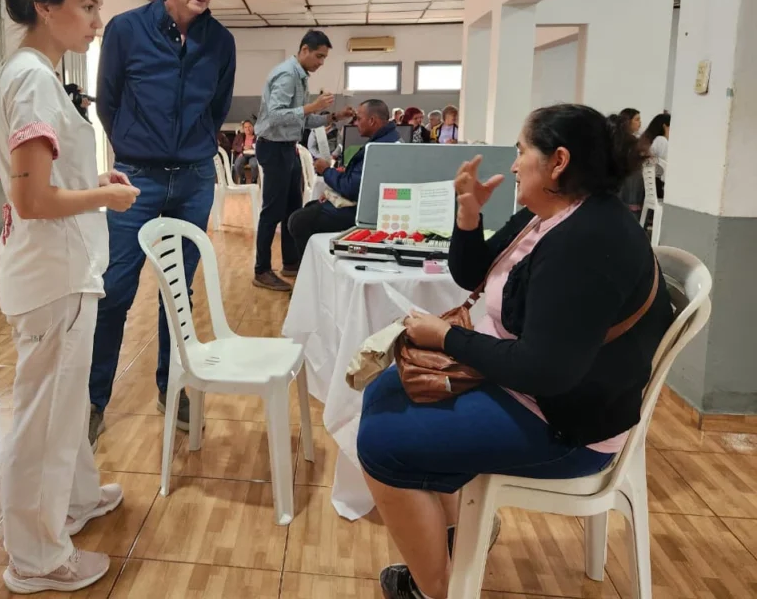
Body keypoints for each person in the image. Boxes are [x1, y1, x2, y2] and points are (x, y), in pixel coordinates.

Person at [357, 103, 672, 599]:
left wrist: (447, 339)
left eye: (523, 150)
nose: (515, 161)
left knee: (381, 442)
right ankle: (461, 537)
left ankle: (438, 587)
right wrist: (468, 216)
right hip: (533, 390)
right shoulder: (551, 213)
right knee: (381, 394)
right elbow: (472, 273)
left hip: (568, 424)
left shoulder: (585, 242)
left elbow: (545, 371)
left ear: (559, 161)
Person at [0, 0, 140, 594]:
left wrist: (92, 177)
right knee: (44, 422)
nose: (96, 20)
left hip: (62, 268)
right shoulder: (31, 82)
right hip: (51, 274)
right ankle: (36, 556)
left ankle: (75, 500)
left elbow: (52, 176)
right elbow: (33, 198)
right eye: (87, 6)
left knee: (65, 404)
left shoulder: (42, 77)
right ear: (46, 8)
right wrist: (104, 196)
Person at [91, 0, 236, 445]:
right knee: (114, 290)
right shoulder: (125, 31)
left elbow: (217, 109)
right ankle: (93, 399)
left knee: (177, 294)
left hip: (193, 181)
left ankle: (172, 388)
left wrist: (190, 147)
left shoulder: (220, 41)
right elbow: (106, 102)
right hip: (137, 181)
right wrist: (135, 148)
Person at [253, 30, 353, 292]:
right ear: (305, 50)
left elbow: (301, 119)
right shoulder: (287, 75)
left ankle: (290, 262)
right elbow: (275, 116)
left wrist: (333, 116)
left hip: (287, 147)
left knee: (292, 207)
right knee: (272, 211)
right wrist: (312, 106)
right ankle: (261, 269)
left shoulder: (300, 76)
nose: (321, 62)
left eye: (324, 58)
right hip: (274, 147)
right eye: (319, 56)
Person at [288, 99, 399, 257]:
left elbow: (351, 188)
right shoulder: (390, 139)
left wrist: (326, 170)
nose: (355, 123)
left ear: (372, 121)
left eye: (359, 119)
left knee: (298, 221)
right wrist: (344, 173)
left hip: (362, 212)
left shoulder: (379, 148)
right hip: (370, 204)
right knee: (310, 208)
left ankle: (315, 272)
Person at [640, 112, 670, 195]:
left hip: (648, 185)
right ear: (665, 126)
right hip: (657, 184)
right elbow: (665, 164)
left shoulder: (649, 139)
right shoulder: (661, 140)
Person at [232, 119, 259, 184]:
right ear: (243, 129)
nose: (248, 129)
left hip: (254, 155)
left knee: (254, 164)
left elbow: (262, 146)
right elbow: (234, 146)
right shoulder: (240, 136)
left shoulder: (258, 136)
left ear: (253, 127)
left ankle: (253, 180)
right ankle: (243, 178)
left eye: (249, 126)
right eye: (245, 127)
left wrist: (252, 147)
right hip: (243, 154)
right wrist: (242, 148)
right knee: (237, 164)